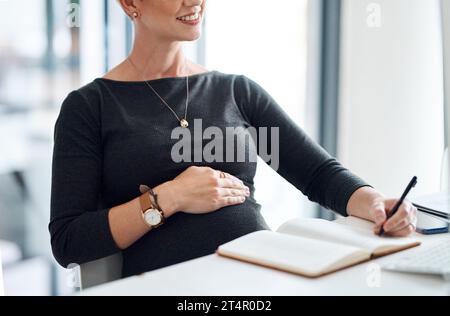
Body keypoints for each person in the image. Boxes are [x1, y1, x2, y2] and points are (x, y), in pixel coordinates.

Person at [49, 0, 417, 278]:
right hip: (175, 287)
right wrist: (170, 198)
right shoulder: (90, 108)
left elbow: (317, 174)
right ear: (130, 3)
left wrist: (376, 204)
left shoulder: (236, 92)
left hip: (263, 276)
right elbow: (69, 240)